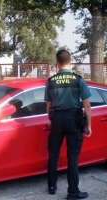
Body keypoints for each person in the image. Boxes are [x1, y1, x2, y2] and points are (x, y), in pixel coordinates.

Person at [44, 49, 92, 200]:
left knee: (53, 154)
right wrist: (88, 125)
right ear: (70, 61)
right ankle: (73, 192)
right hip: (73, 121)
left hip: (57, 120)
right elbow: (87, 104)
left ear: (57, 63)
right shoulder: (78, 80)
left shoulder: (51, 81)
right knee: (72, 157)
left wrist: (51, 120)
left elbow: (48, 104)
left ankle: (52, 187)